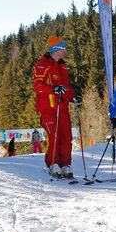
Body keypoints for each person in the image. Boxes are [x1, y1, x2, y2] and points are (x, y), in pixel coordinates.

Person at [33, 36, 81, 178]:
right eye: (63, 49)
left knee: (66, 137)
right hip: (48, 108)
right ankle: (52, 163)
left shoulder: (62, 65)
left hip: (62, 107)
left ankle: (65, 164)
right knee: (53, 137)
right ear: (56, 50)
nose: (65, 52)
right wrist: (53, 89)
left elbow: (65, 87)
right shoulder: (42, 64)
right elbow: (38, 85)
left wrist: (72, 97)